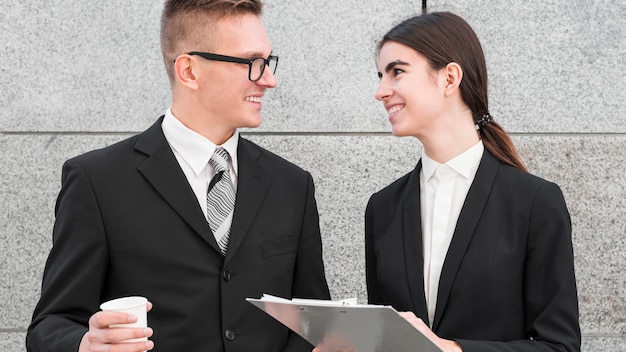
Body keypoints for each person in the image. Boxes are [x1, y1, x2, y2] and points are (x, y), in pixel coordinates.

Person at [26, 0, 330, 351]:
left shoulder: (292, 185)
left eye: (268, 62)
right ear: (189, 71)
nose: (270, 80)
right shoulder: (97, 181)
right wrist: (85, 344)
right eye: (253, 63)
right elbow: (50, 325)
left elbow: (312, 319)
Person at [363, 11, 581, 352]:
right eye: (380, 75)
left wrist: (454, 350)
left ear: (450, 78)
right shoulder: (383, 207)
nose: (380, 91)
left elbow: (560, 346)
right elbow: (385, 338)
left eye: (397, 72)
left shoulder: (535, 202)